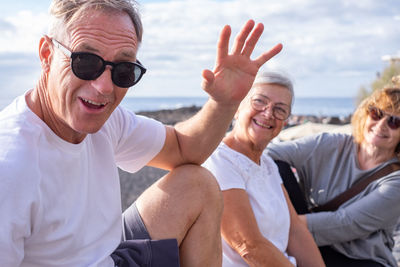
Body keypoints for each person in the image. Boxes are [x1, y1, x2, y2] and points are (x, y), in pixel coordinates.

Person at [0, 0, 283, 266]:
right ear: (47, 55)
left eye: (123, 70)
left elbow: (186, 148)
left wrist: (225, 102)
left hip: (109, 256)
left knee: (197, 183)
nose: (104, 88)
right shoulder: (11, 165)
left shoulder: (106, 120)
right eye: (85, 62)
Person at [266, 85, 400, 267]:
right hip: (308, 239)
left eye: (394, 122)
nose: (381, 125)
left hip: (360, 260)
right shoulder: (332, 144)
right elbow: (268, 152)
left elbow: (346, 223)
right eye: (376, 114)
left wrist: (277, 224)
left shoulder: (396, 181)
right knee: (274, 165)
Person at [203, 71, 325, 267]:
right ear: (237, 107)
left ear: (285, 121)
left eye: (280, 109)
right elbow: (248, 246)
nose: (268, 114)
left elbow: (296, 231)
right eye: (259, 101)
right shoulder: (220, 160)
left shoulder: (268, 164)